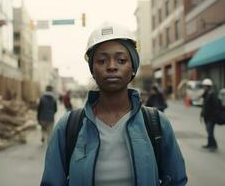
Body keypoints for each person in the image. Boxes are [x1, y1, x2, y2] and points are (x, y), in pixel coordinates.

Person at [40, 22, 187, 185]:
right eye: (102, 61)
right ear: (93, 71)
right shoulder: (68, 127)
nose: (111, 67)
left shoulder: (157, 123)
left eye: (121, 60)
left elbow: (177, 180)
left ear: (133, 68)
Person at [200, 78, 220, 150]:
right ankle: (209, 144)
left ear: (208, 86)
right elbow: (204, 105)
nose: (204, 87)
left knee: (210, 131)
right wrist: (202, 114)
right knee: (208, 131)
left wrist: (214, 116)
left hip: (211, 117)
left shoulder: (212, 94)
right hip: (207, 117)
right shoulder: (206, 94)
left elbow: (215, 106)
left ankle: (214, 145)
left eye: (205, 86)